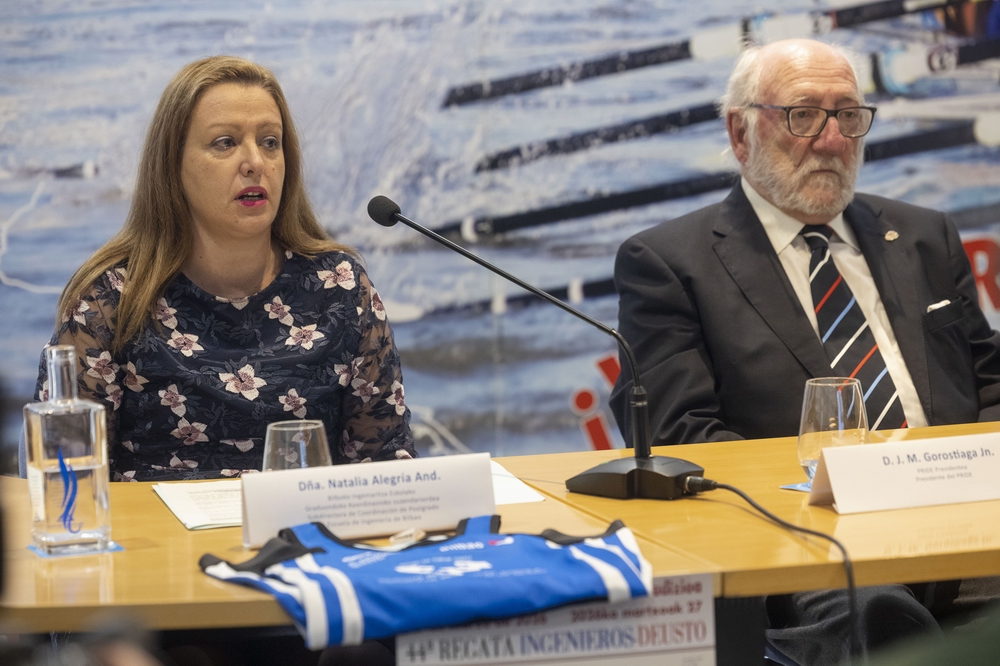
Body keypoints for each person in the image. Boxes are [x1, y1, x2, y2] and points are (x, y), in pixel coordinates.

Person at [609, 38, 1000, 665]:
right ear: (740, 133)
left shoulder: (924, 235)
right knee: (873, 614)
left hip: (957, 518)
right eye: (804, 115)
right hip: (805, 539)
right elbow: (680, 436)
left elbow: (989, 383)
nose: (833, 139)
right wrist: (838, 492)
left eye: (848, 114)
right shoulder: (669, 263)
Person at [22, 56, 416, 482]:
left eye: (270, 142)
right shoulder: (111, 299)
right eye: (225, 143)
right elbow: (65, 483)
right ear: (172, 164)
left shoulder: (340, 288)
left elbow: (387, 472)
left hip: (299, 525)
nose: (255, 162)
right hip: (154, 528)